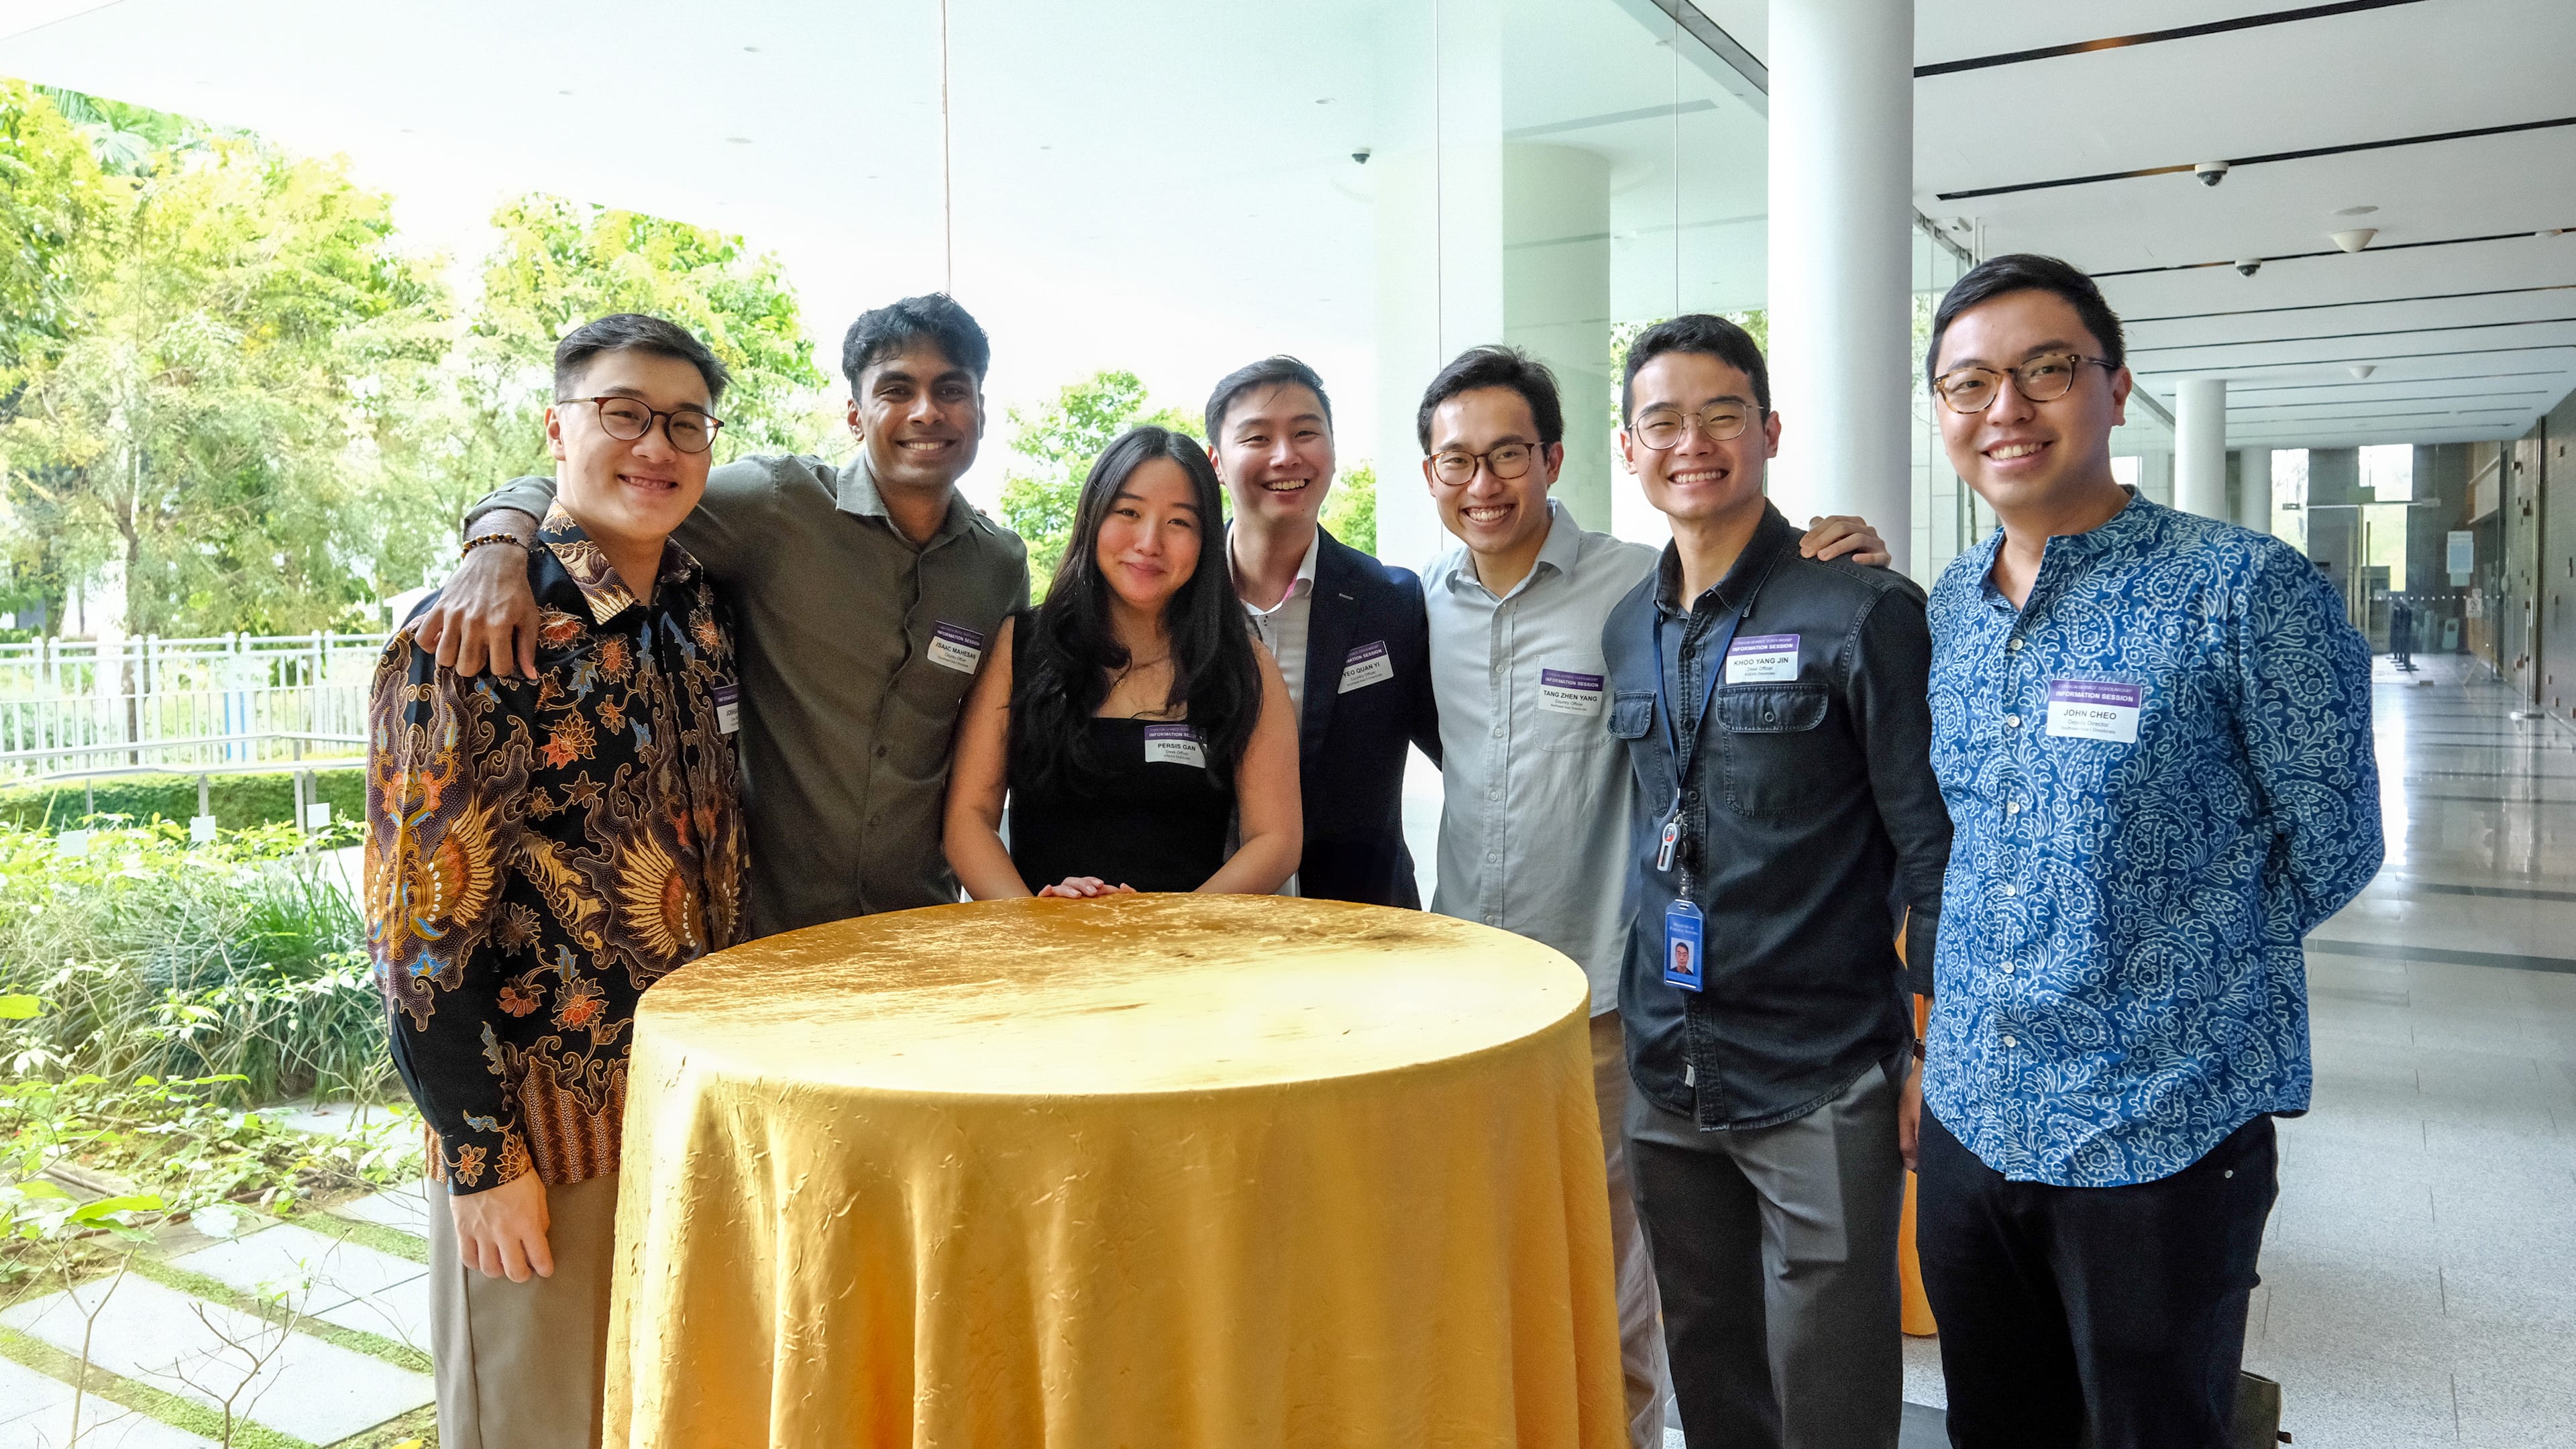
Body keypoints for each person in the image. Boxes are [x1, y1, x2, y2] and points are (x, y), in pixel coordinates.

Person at [1915, 254, 2381, 1448]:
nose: (2006, 409)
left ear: (2115, 391)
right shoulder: (1947, 608)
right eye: (1970, 385)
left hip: (2160, 1132)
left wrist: (2169, 986)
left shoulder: (2242, 591)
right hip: (1977, 1113)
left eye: (2045, 371)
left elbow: (2337, 840)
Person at [1413, 345, 1890, 1449]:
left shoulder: (1639, 583)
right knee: (1476, 1252)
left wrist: (1843, 554)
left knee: (1626, 1270)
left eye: (1508, 455)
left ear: (1563, 458)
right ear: (1429, 473)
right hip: (1463, 1004)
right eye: (1457, 461)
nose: (1483, 483)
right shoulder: (1415, 603)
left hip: (1610, 997)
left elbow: (1772, 604)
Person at [366, 314, 749, 1449]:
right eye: (622, 414)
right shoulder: (474, 632)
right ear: (557, 428)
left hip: (681, 1107)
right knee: (533, 1422)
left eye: (685, 422)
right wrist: (481, 1160)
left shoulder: (698, 608)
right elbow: (417, 929)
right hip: (544, 1123)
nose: (655, 445)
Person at [1599, 315, 1953, 1449]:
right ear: (1629, 447)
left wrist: (1929, 1047)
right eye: (1663, 420)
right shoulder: (1627, 627)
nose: (1691, 442)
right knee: (1714, 1370)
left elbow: (1931, 846)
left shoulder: (1862, 608)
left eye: (1721, 415)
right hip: (1669, 1062)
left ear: (1770, 432)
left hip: (1823, 1072)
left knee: (1832, 1389)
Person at [414, 294, 1027, 937]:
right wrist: (496, 547)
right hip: (759, 932)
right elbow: (592, 490)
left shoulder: (999, 567)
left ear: (980, 412)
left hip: (919, 923)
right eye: (897, 389)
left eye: (952, 390)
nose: (927, 412)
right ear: (855, 414)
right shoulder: (776, 506)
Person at [945, 426, 1300, 898]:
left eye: (1179, 522)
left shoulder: (1243, 661)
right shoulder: (1022, 645)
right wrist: (1031, 921)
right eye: (1128, 512)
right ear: (1094, 518)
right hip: (1042, 955)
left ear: (1206, 538)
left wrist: (1166, 925)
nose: (1149, 542)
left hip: (1185, 956)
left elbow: (1275, 840)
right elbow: (969, 818)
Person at [1203, 356, 1440, 904]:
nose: (1286, 455)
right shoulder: (1176, 599)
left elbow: (1468, 752)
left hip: (1359, 930)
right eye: (1257, 437)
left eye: (1306, 432)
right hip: (1201, 925)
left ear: (1332, 450)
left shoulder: (1393, 602)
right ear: (1217, 461)